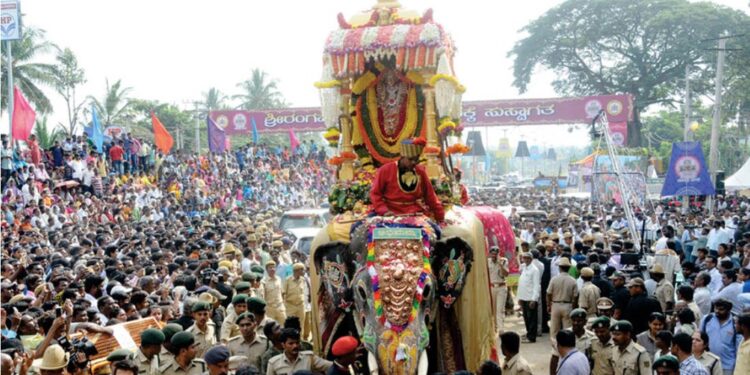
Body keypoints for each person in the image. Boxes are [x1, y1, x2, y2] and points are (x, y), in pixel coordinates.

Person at [369, 137, 445, 222]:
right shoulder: (385, 170)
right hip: (390, 213)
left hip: (414, 213)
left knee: (434, 231)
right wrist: (384, 210)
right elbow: (375, 193)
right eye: (410, 159)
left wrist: (440, 217)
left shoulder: (420, 171)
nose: (413, 162)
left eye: (416, 160)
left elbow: (430, 196)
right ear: (402, 157)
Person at [266, 328, 331, 375]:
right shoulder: (273, 363)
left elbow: (331, 366)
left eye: (297, 343)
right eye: (291, 343)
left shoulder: (309, 358)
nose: (295, 346)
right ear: (283, 345)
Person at [701, 298, 741, 375]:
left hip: (726, 365)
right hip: (708, 363)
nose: (717, 311)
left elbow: (738, 346)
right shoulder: (707, 319)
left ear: (728, 310)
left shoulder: (735, 323)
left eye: (721, 309)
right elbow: (700, 337)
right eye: (716, 308)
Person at [546, 257, 578, 342]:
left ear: (559, 267)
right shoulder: (573, 280)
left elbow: (548, 293)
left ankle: (555, 349)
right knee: (567, 330)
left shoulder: (554, 279)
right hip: (568, 305)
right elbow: (575, 296)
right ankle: (566, 347)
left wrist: (549, 304)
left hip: (555, 304)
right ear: (569, 268)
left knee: (554, 330)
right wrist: (573, 307)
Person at [517, 252, 540, 343]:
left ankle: (531, 337)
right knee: (526, 318)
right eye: (524, 258)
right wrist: (519, 298)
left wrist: (534, 299)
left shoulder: (534, 270)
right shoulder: (524, 268)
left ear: (531, 259)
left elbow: (536, 285)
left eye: (527, 258)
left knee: (532, 319)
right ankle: (528, 333)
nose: (525, 260)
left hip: (530, 298)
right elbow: (522, 284)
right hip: (524, 297)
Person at [488, 246, 509, 336]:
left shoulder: (503, 260)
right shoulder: (487, 262)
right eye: (492, 254)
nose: (494, 256)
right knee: (493, 309)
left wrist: (500, 264)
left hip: (501, 287)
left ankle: (501, 329)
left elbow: (506, 274)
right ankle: (495, 328)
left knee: (500, 309)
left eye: (495, 254)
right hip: (492, 287)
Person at [283, 263, 306, 335]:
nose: (303, 271)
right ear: (296, 271)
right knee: (290, 325)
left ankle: (300, 340)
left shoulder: (303, 280)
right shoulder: (287, 280)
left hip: (300, 306)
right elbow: (283, 293)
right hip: (290, 306)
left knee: (301, 325)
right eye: (301, 270)